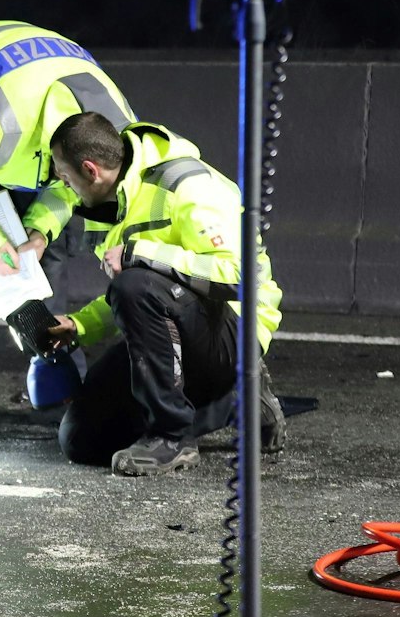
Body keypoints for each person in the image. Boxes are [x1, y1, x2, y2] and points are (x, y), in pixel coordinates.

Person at [0, 22, 135, 439]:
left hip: (31, 123)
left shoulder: (115, 130)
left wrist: (40, 230)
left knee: (54, 243)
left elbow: (72, 189)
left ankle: (56, 379)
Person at [40, 112, 288, 476]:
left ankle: (172, 439)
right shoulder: (110, 203)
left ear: (91, 171)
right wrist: (79, 326)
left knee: (134, 281)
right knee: (81, 439)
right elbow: (143, 300)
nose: (64, 186)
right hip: (181, 332)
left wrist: (142, 253)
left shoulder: (187, 185)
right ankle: (232, 402)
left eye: (65, 176)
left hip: (233, 332)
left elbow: (240, 275)